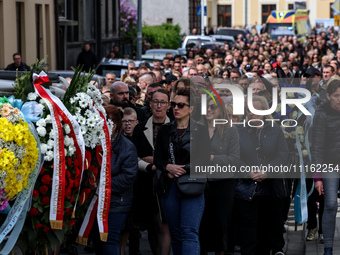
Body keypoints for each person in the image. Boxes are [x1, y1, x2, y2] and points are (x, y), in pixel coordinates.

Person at [154, 88, 210, 255]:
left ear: (191, 108)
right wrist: (167, 167)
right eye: (173, 104)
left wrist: (181, 169)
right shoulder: (165, 130)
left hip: (192, 185)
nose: (175, 108)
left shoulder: (200, 130)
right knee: (176, 234)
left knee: (189, 233)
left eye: (180, 105)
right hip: (169, 187)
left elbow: (204, 160)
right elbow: (158, 158)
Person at [235, 95, 289, 255]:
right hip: (245, 189)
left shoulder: (275, 129)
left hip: (271, 188)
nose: (251, 113)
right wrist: (248, 172)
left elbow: (282, 155)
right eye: (248, 110)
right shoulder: (238, 130)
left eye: (256, 109)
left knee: (267, 233)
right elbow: (233, 157)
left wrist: (267, 171)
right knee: (248, 235)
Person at [93, 105, 138, 255]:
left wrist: (103, 185)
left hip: (117, 202)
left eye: (110, 123)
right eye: (103, 123)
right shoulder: (94, 143)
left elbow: (129, 176)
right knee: (98, 241)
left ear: (117, 125)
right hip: (96, 201)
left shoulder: (127, 147)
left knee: (110, 239)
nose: (106, 127)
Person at [132, 89, 172, 255]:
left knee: (163, 224)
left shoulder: (175, 127)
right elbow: (134, 157)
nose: (159, 105)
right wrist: (148, 166)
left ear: (168, 105)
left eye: (163, 102)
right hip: (146, 183)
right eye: (155, 101)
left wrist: (156, 161)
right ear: (150, 104)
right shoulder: (140, 128)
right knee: (151, 226)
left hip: (168, 182)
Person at [200, 96, 240, 255]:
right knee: (202, 222)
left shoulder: (230, 130)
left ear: (220, 109)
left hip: (224, 182)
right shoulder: (197, 128)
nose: (208, 110)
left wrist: (211, 158)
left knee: (221, 223)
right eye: (206, 107)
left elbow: (235, 160)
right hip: (201, 181)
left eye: (212, 107)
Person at [313, 79, 340, 255]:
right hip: (330, 164)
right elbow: (317, 147)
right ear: (329, 96)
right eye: (337, 95)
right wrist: (317, 177)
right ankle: (328, 248)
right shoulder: (322, 115)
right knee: (330, 204)